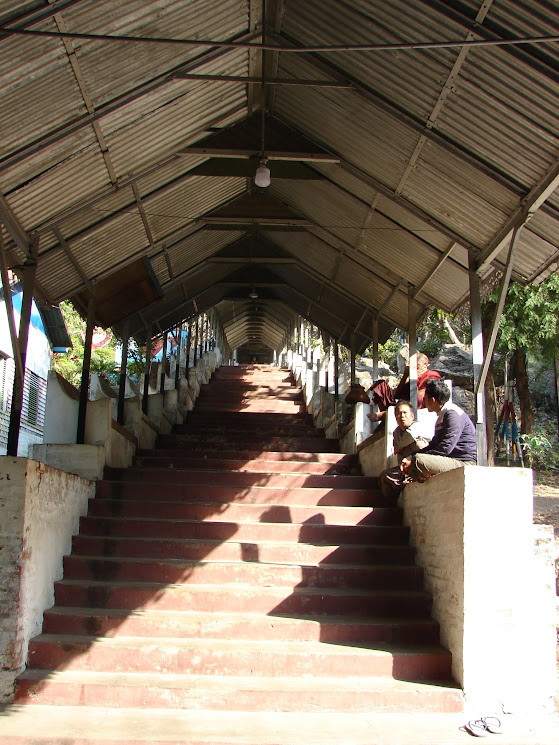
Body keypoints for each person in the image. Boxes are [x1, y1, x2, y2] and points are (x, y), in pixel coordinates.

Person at [400, 378, 477, 482]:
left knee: (418, 460)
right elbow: (434, 445)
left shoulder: (452, 415)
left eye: (425, 398)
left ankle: (415, 477)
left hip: (463, 462)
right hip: (451, 460)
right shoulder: (442, 415)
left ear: (432, 400)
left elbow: (445, 448)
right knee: (415, 458)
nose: (424, 401)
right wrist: (410, 456)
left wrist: (414, 459)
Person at [367, 353, 441, 426]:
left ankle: (384, 415)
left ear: (425, 365)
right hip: (401, 405)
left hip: (418, 407)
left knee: (416, 397)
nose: (414, 370)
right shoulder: (412, 380)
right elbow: (397, 395)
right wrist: (405, 376)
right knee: (380, 385)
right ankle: (386, 415)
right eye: (412, 368)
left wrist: (416, 380)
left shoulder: (432, 375)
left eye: (417, 367)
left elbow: (422, 396)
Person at [379, 400, 430, 500]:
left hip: (421, 464)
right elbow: (397, 451)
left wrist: (401, 447)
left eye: (405, 413)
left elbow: (399, 446)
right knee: (385, 476)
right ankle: (391, 505)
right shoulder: (396, 432)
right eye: (399, 413)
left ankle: (414, 477)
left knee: (418, 443)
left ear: (412, 416)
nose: (402, 416)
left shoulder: (417, 427)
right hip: (405, 468)